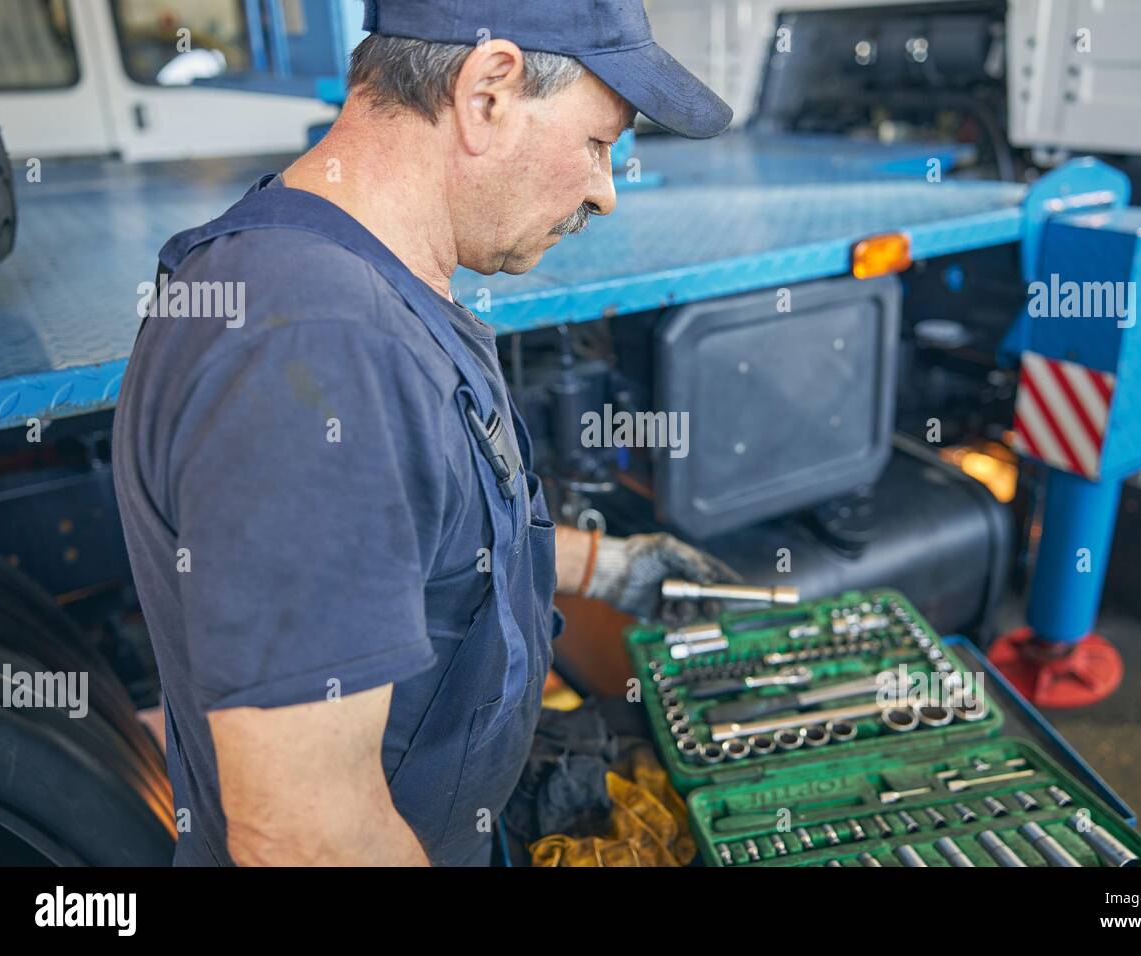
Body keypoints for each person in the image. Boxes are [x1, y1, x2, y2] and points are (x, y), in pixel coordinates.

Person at [112, 0, 736, 865]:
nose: (606, 191)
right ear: (488, 92)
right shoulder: (317, 351)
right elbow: (306, 838)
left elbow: (419, 532)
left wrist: (611, 568)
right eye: (598, 145)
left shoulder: (351, 275)